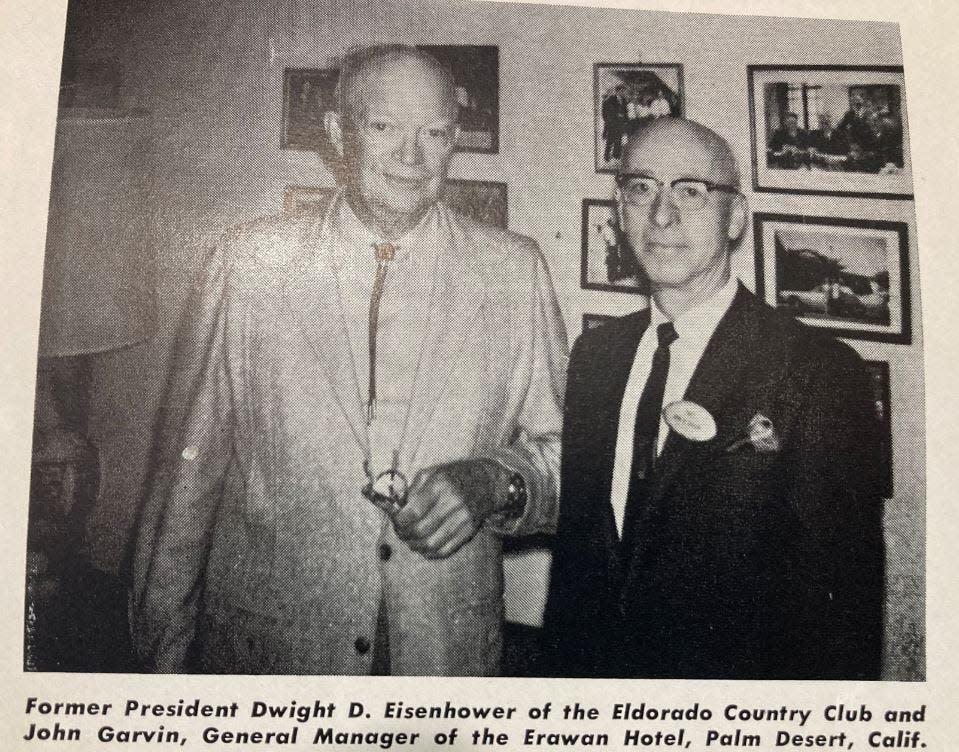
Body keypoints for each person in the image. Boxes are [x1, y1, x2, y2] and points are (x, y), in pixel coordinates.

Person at [132, 44, 567, 676]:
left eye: (435, 133)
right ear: (339, 133)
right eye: (384, 127)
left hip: (442, 659)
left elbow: (566, 450)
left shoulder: (515, 270)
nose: (411, 157)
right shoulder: (251, 262)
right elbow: (185, 481)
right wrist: (159, 670)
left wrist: (497, 481)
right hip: (274, 655)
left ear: (455, 142)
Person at [541, 118, 883, 679]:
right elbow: (581, 559)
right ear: (619, 213)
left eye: (691, 191)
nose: (661, 215)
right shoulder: (597, 355)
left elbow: (842, 608)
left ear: (735, 219)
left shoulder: (818, 371)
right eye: (641, 189)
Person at [602, 84, 628, 162]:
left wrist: (626, 120)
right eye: (622, 91)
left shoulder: (623, 100)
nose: (623, 92)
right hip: (612, 123)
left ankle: (616, 156)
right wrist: (615, 116)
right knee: (610, 140)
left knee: (618, 140)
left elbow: (625, 111)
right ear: (617, 91)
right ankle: (606, 157)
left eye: (624, 91)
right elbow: (606, 112)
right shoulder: (610, 100)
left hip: (620, 123)